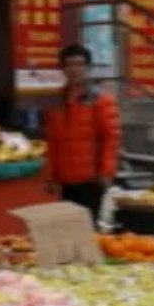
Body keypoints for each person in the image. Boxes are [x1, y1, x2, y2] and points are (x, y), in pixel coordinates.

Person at [43, 44, 121, 220]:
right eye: (70, 65)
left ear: (88, 67)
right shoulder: (56, 101)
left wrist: (107, 172)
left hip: (91, 178)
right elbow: (52, 142)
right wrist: (50, 176)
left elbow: (111, 138)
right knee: (68, 227)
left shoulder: (101, 100)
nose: (75, 69)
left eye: (79, 64)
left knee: (88, 227)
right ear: (63, 69)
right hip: (65, 179)